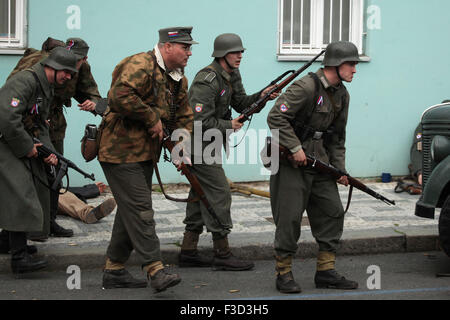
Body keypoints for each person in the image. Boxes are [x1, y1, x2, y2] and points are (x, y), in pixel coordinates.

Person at [97, 26, 197, 292]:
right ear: (166, 47)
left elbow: (184, 116)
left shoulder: (178, 78)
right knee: (141, 208)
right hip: (119, 151)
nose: (189, 52)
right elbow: (118, 96)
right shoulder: (141, 63)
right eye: (184, 48)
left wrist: (180, 148)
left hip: (145, 153)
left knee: (130, 210)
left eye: (190, 48)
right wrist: (151, 117)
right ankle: (155, 269)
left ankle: (114, 269)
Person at [267, 41, 361, 293]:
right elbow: (276, 117)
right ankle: (283, 272)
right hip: (290, 162)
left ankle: (326, 271)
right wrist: (295, 147)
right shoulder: (307, 86)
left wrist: (339, 169)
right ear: (336, 64)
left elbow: (337, 137)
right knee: (289, 219)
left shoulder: (342, 94)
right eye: (351, 64)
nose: (354, 69)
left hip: (320, 163)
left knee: (333, 211)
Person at [179, 33, 278, 271]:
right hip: (197, 146)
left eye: (241, 52)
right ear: (223, 54)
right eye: (236, 52)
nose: (240, 56)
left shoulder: (232, 75)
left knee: (199, 195)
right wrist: (228, 125)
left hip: (210, 144)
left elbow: (242, 103)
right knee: (220, 193)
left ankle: (188, 251)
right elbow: (198, 121)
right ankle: (222, 253)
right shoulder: (207, 79)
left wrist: (263, 95)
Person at [8, 37, 103, 239]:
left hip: (52, 125)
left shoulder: (81, 69)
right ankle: (26, 229)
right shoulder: (38, 64)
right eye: (66, 68)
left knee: (55, 172)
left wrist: (94, 105)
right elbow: (13, 98)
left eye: (75, 64)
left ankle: (48, 223)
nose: (69, 74)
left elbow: (91, 94)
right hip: (27, 124)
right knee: (29, 178)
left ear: (84, 60)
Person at [0, 47, 78, 273]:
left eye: (71, 73)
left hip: (14, 144)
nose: (68, 76)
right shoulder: (25, 81)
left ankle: (9, 242)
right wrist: (27, 147)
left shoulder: (45, 87)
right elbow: (6, 116)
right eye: (65, 71)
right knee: (20, 194)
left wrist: (50, 153)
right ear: (50, 67)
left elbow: (39, 124)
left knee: (30, 190)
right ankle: (19, 258)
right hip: (7, 143)